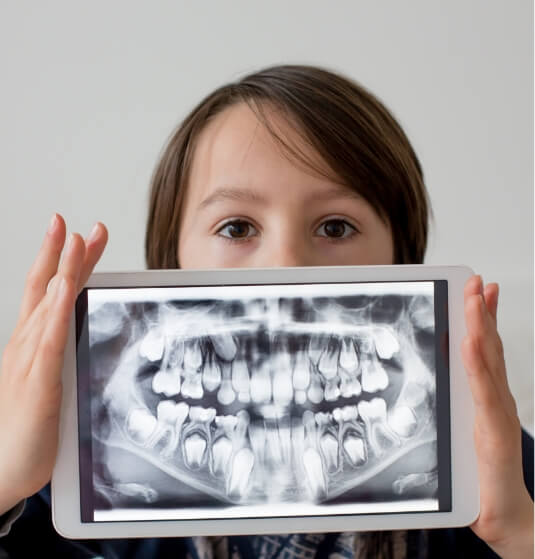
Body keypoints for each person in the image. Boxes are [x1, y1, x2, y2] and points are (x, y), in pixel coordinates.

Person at [0, 65, 532, 559]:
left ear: (404, 259)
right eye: (237, 228)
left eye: (335, 227)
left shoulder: (495, 465)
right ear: (170, 263)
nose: (286, 265)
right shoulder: (67, 474)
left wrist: (521, 534)